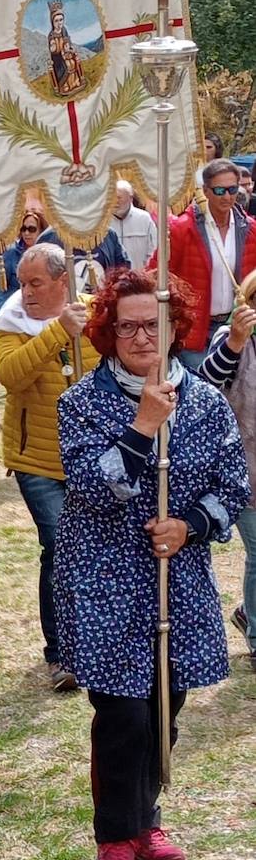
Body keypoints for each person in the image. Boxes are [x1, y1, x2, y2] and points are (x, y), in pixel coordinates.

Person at [55, 269, 248, 860]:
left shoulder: (204, 400)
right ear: (108, 332)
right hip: (105, 580)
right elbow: (89, 486)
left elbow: (235, 484)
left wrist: (191, 525)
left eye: (153, 323)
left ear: (174, 327)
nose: (141, 336)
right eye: (127, 325)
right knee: (123, 716)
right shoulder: (82, 401)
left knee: (165, 708)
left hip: (176, 581)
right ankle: (114, 841)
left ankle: (144, 821)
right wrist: (141, 427)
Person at [0, 242, 99, 689]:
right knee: (59, 548)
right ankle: (60, 655)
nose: (26, 292)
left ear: (63, 282)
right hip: (37, 459)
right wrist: (58, 332)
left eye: (35, 283)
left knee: (93, 552)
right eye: (22, 282)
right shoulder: (10, 321)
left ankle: (91, 641)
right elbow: (11, 374)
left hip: (92, 455)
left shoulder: (96, 313)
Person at [198, 271, 256, 669]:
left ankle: (247, 612)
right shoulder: (232, 338)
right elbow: (204, 383)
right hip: (246, 467)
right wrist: (234, 342)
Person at [160, 160, 256, 369]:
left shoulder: (250, 229)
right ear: (205, 191)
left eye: (232, 189)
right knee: (204, 391)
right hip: (195, 332)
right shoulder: (181, 229)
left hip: (237, 326)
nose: (227, 196)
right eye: (220, 190)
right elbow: (158, 274)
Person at [108, 180, 157, 272]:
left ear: (131, 198)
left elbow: (154, 249)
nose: (115, 202)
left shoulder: (144, 219)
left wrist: (147, 272)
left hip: (140, 278)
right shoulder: (104, 223)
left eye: (119, 198)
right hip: (113, 281)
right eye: (112, 198)